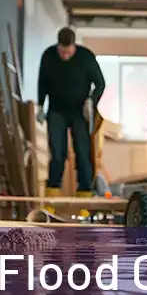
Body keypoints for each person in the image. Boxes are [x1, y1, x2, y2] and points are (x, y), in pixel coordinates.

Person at [36, 27, 106, 213]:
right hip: (57, 111)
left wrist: (91, 101)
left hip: (79, 112)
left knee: (82, 154)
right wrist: (40, 105)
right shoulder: (49, 56)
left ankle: (84, 200)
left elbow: (100, 82)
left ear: (74, 46)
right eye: (62, 52)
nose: (65, 56)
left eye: (68, 53)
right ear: (58, 46)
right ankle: (51, 200)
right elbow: (42, 81)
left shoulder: (85, 57)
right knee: (57, 154)